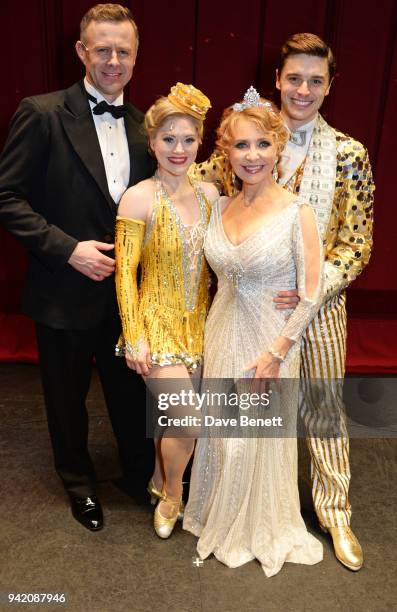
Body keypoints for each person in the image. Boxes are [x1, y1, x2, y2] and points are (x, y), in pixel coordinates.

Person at [192, 33, 374, 571]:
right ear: (278, 79)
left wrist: (314, 289)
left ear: (330, 87)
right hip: (246, 305)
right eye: (294, 78)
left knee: (322, 407)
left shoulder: (348, 154)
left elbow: (357, 242)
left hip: (317, 306)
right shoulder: (243, 143)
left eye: (316, 81)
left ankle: (335, 513)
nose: (303, 89)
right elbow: (198, 191)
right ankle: (233, 500)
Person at [0, 4, 156, 530]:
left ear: (136, 56)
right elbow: (7, 198)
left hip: (127, 299)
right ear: (81, 51)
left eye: (124, 51)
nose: (113, 60)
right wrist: (68, 249)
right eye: (103, 49)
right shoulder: (41, 112)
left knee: (130, 395)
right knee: (65, 401)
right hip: (62, 289)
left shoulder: (147, 127)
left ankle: (139, 476)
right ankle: (78, 484)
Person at [183, 89, 324, 576]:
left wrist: (277, 353)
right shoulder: (218, 206)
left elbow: (310, 294)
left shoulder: (296, 212)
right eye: (241, 146)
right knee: (223, 434)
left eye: (262, 144)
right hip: (222, 328)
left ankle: (258, 524)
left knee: (253, 437)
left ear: (278, 147)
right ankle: (217, 513)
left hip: (270, 339)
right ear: (226, 151)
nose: (252, 156)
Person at [115, 83, 218, 538]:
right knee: (188, 421)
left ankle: (159, 482)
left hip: (200, 327)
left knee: (172, 423)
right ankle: (174, 495)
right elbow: (125, 276)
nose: (179, 149)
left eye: (189, 139)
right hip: (154, 330)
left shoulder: (213, 196)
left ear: (200, 142)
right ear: (152, 141)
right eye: (169, 139)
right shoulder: (137, 198)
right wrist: (134, 336)